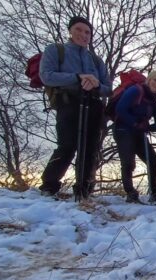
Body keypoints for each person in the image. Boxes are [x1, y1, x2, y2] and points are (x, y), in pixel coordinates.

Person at [38, 16, 112, 199]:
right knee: (67, 145)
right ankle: (49, 185)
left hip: (93, 105)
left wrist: (95, 85)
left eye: (87, 32)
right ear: (70, 31)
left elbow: (108, 88)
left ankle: (84, 187)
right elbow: (46, 76)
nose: (83, 35)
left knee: (90, 148)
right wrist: (77, 77)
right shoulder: (56, 50)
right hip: (68, 102)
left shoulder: (96, 60)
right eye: (79, 30)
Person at [113, 70, 156, 203]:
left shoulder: (154, 102)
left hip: (139, 133)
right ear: (149, 79)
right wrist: (135, 123)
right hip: (123, 129)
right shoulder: (135, 91)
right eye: (155, 80)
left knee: (154, 162)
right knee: (128, 162)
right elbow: (120, 109)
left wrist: (151, 127)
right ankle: (130, 193)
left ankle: (155, 193)